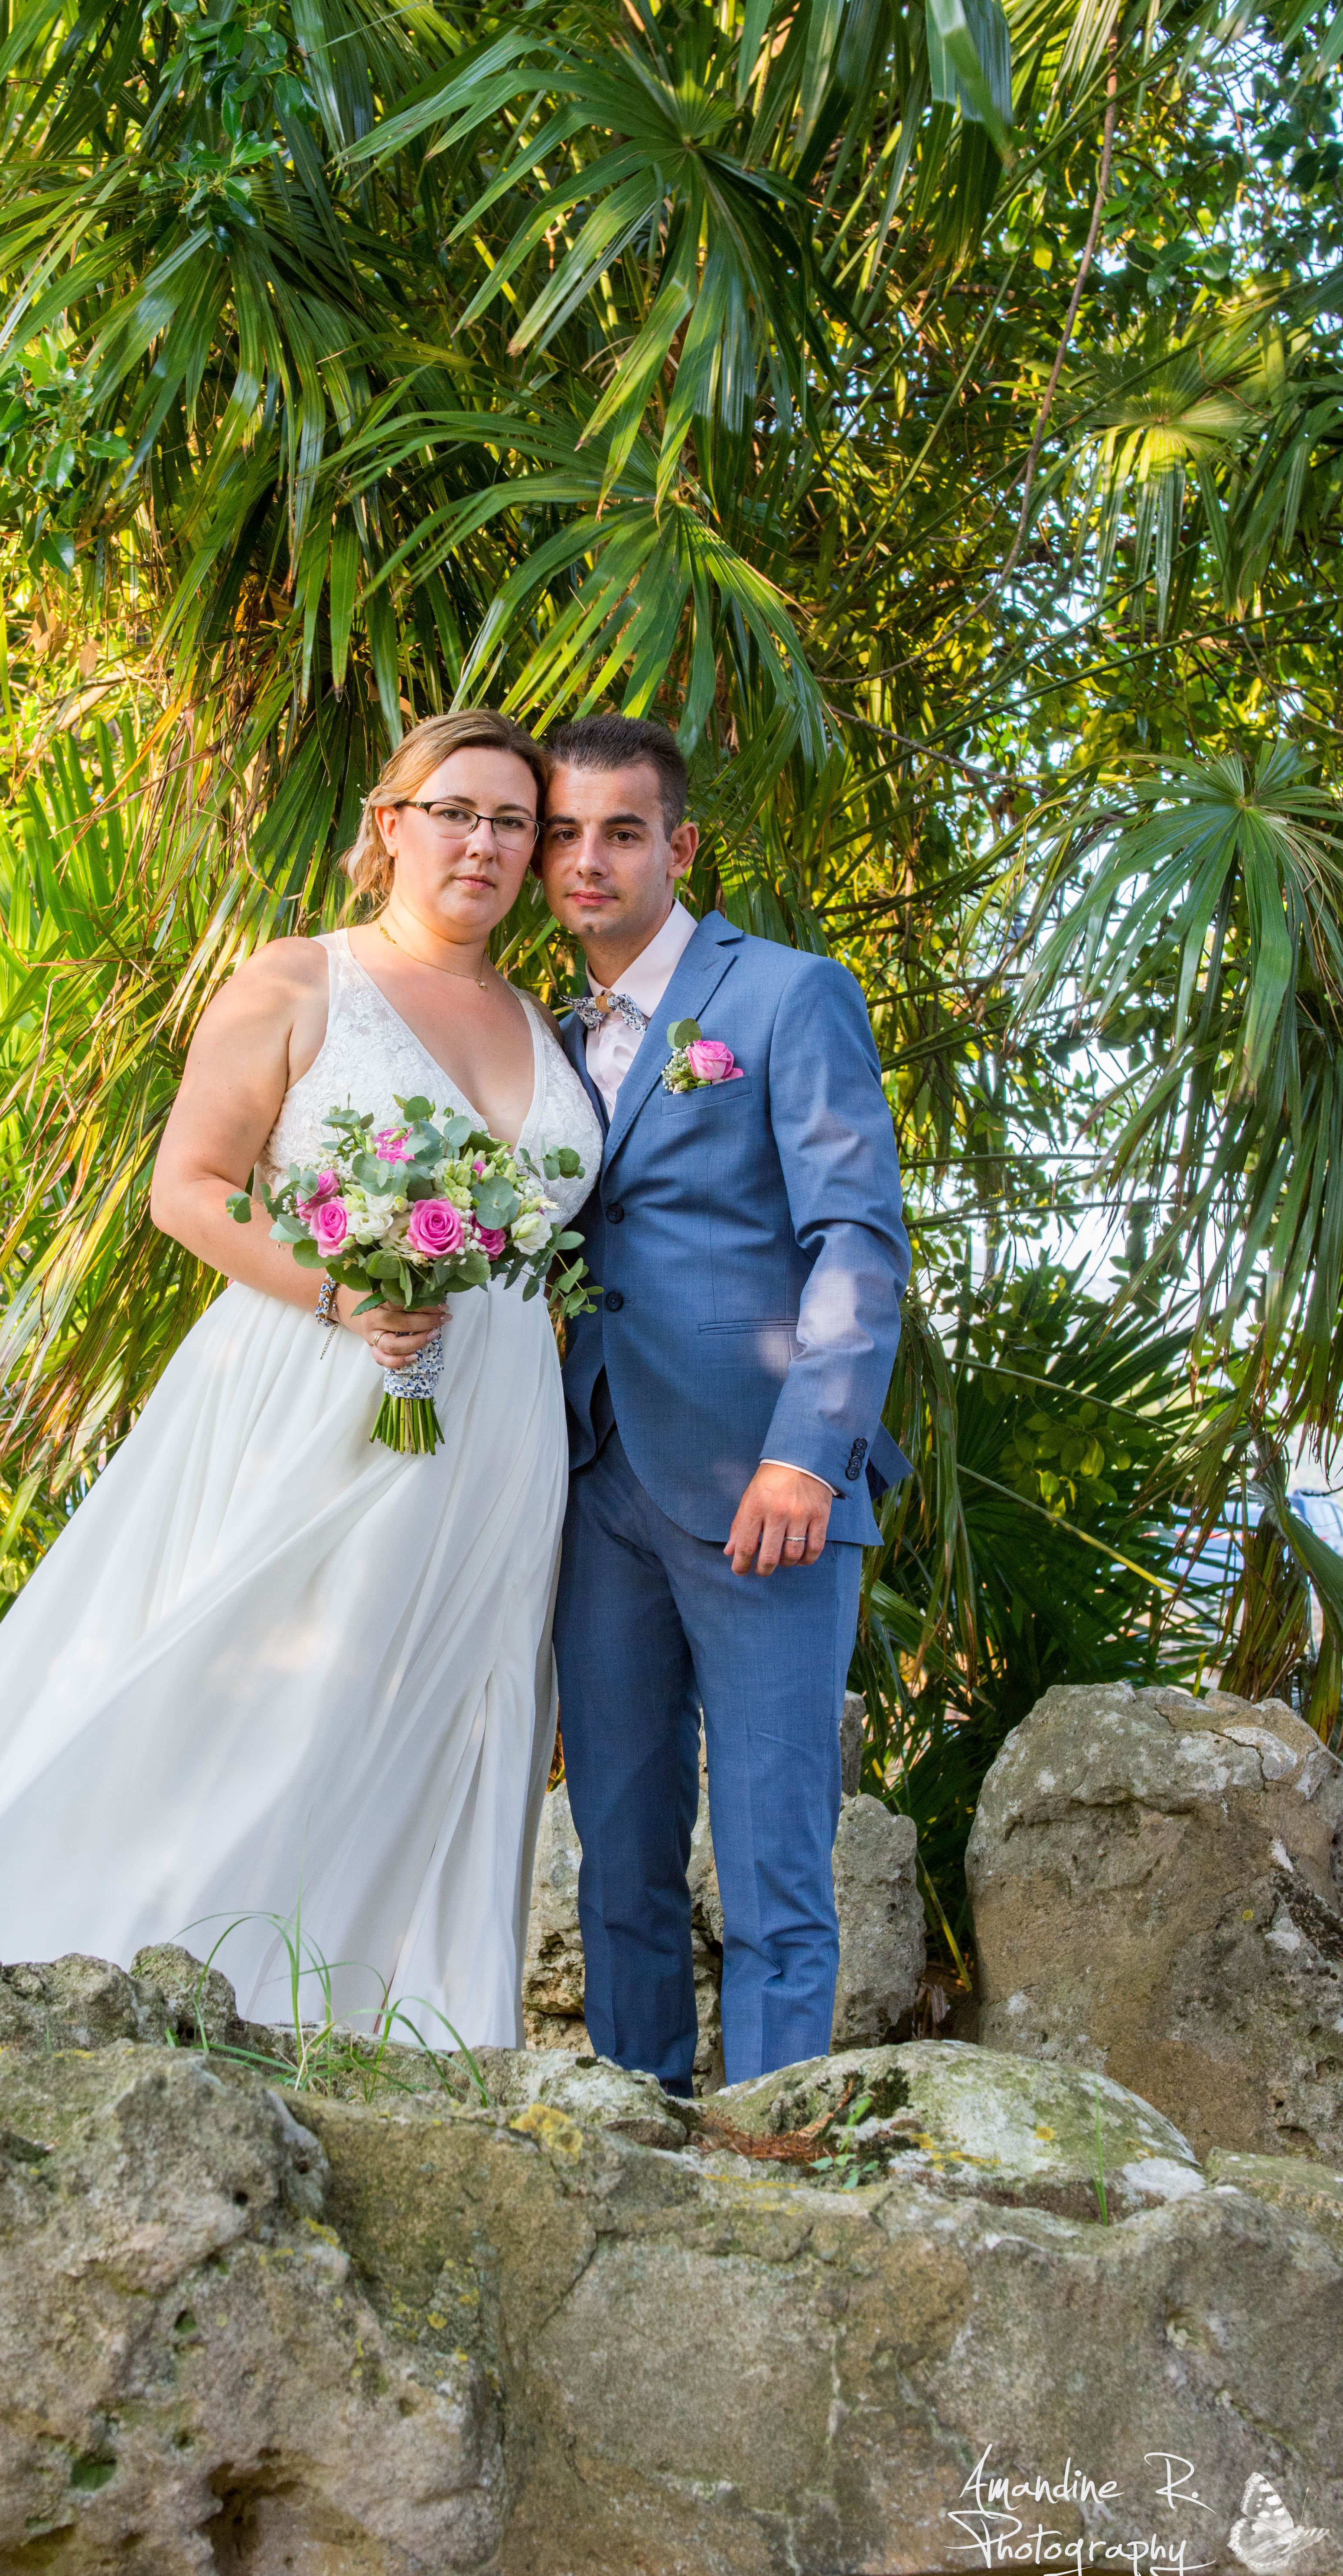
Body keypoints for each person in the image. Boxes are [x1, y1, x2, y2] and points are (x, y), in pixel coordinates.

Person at [0, 711, 603, 2047]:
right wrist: (348, 1293)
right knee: (258, 1689)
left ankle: (383, 2031)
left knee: (436, 1708)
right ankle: (141, 1995)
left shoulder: (549, 1025)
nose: (483, 840)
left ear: (536, 857)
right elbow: (188, 1191)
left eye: (513, 822)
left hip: (499, 1421)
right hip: (316, 1387)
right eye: (456, 811)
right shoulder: (302, 982)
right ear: (391, 823)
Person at [541, 713, 911, 2097]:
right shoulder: (546, 1032)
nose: (590, 860)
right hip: (594, 1484)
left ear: (678, 846)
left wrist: (811, 1457)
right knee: (619, 1858)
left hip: (767, 1491)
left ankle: (771, 2164)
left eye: (621, 833)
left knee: (773, 1865)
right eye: (565, 835)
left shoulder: (786, 995)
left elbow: (858, 1240)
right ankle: (637, 2146)